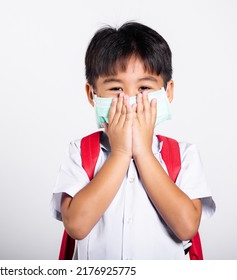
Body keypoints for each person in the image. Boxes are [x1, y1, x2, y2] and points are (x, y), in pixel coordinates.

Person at [50, 21, 216, 260]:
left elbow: (187, 226)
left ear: (167, 92)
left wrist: (143, 153)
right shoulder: (80, 152)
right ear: (92, 95)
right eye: (116, 88)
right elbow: (76, 225)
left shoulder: (184, 155)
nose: (130, 101)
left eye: (145, 87)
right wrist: (119, 153)